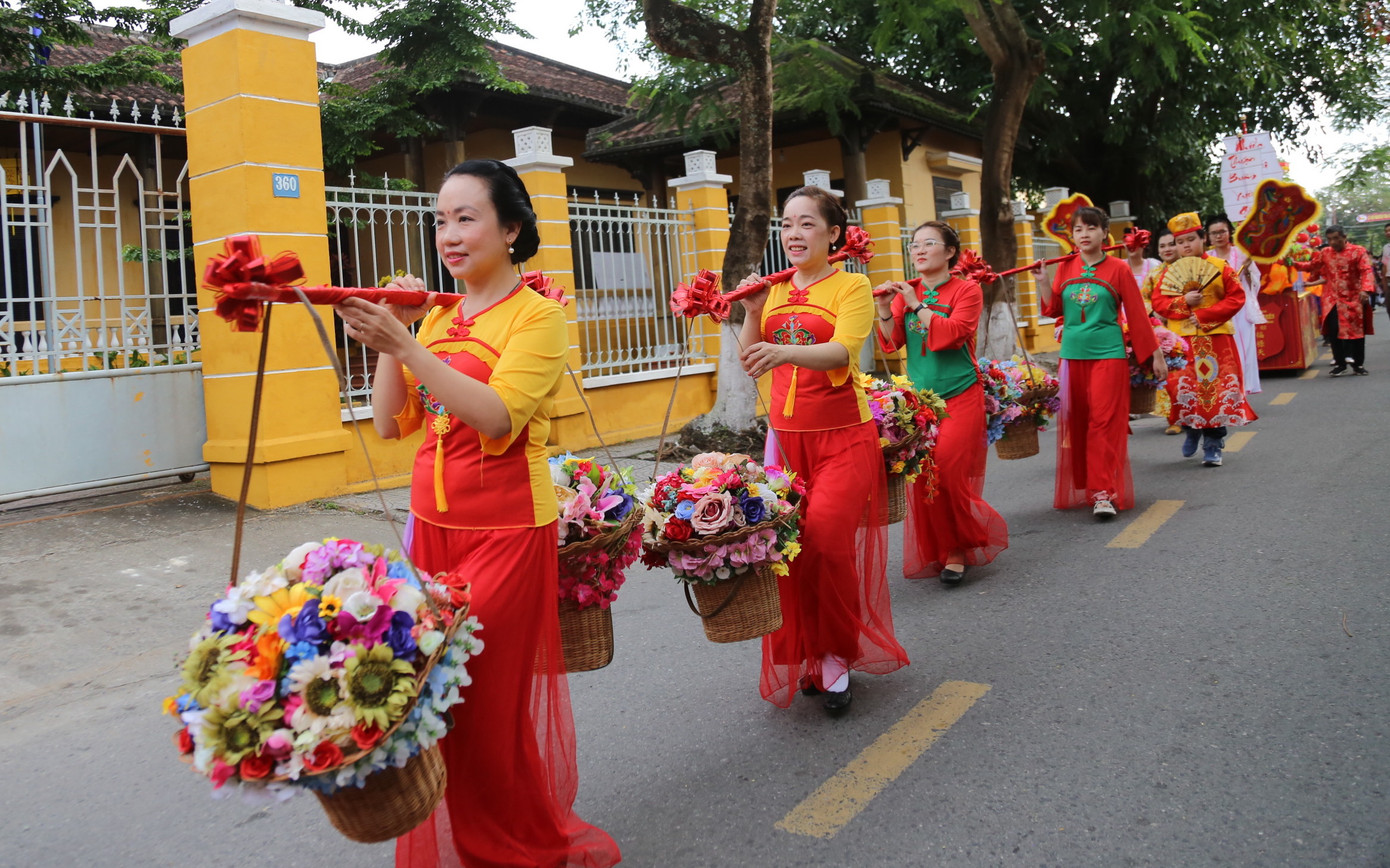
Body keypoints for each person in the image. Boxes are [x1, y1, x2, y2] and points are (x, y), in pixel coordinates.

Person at [334, 160, 621, 868]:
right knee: (433, 702)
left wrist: (404, 344)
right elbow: (388, 424)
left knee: (481, 710)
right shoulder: (437, 316)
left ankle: (511, 850)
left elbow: (498, 415)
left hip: (506, 530)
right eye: (441, 220)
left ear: (511, 228)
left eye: (467, 218)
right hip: (432, 529)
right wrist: (398, 335)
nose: (450, 235)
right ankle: (481, 843)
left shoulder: (540, 316)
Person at [736, 185, 909, 713]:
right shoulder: (775, 289)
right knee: (791, 553)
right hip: (786, 443)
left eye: (806, 223)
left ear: (833, 234)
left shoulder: (850, 288)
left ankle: (835, 654)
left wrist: (783, 348)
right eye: (786, 224)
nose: (793, 234)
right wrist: (751, 311)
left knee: (829, 543)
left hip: (842, 438)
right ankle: (808, 651)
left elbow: (843, 350)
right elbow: (752, 358)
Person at [873, 221, 1008, 585]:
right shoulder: (905, 292)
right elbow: (892, 342)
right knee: (924, 477)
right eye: (914, 244)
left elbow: (950, 335)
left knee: (947, 472)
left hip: (961, 394)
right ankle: (943, 546)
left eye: (928, 243)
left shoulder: (967, 291)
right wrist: (887, 308)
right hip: (920, 402)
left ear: (949, 252)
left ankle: (958, 547)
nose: (918, 250)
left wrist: (916, 305)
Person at [1032, 205, 1163, 518]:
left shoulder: (1118, 268)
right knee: (1077, 423)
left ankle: (1103, 492)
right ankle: (1088, 485)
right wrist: (1041, 280)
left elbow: (1137, 314)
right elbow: (1052, 310)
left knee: (1103, 422)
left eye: (1090, 228)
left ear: (1105, 233)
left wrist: (1155, 353)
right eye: (1078, 230)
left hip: (1108, 355)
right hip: (1071, 358)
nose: (1084, 234)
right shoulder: (1064, 267)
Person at [1149, 212, 1257, 467]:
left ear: (1203, 239)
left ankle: (1213, 441)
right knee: (1182, 389)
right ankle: (1192, 429)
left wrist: (1207, 314)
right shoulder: (1167, 273)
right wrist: (1182, 302)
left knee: (1215, 391)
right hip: (1182, 342)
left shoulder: (1221, 268)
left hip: (1216, 339)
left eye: (1190, 239)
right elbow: (1158, 302)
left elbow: (1236, 298)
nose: (1185, 246)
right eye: (1179, 241)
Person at [1294, 225, 1376, 375]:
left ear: (1344, 238)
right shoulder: (1325, 253)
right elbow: (1313, 266)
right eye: (1330, 239)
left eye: (1336, 238)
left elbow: (1366, 271)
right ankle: (1340, 363)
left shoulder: (1358, 251)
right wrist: (1294, 264)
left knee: (1357, 331)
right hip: (1332, 298)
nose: (1332, 242)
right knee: (1334, 329)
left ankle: (1358, 364)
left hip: (1354, 297)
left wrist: (1365, 289)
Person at [1205, 214, 1265, 394]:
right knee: (1223, 349)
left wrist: (1247, 269)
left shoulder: (1242, 253)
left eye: (1222, 231)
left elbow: (1255, 280)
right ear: (1208, 236)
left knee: (1244, 347)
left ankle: (1244, 388)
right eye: (1214, 233)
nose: (1218, 236)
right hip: (1218, 308)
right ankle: (1226, 387)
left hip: (1241, 308)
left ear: (1229, 232)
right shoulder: (1206, 257)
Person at [1144, 231, 1183, 434]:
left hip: (1187, 327)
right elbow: (1143, 300)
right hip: (1165, 330)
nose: (1167, 249)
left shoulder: (1190, 270)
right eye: (1162, 246)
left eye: (1171, 244)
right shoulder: (1154, 274)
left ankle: (1197, 415)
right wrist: (1156, 312)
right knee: (1170, 375)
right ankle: (1174, 418)